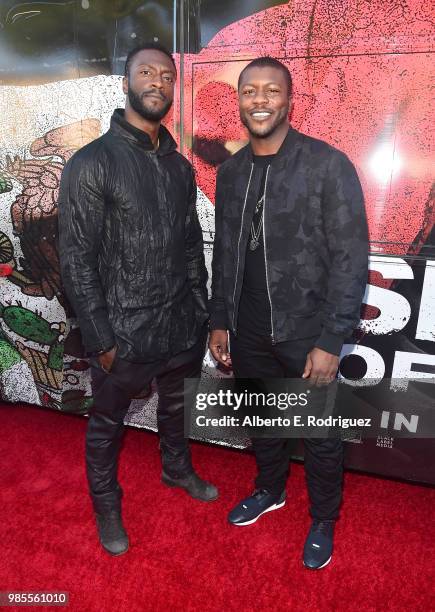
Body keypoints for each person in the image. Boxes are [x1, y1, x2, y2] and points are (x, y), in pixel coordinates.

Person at [58, 43, 218, 557]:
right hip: (122, 334)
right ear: (126, 84)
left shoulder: (178, 167)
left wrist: (202, 311)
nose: (157, 81)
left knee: (176, 410)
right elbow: (77, 260)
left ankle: (177, 471)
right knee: (106, 428)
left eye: (166, 75)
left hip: (181, 326)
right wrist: (101, 338)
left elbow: (192, 244)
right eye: (145, 73)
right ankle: (106, 505)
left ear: (174, 86)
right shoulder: (91, 162)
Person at [209, 57, 368, 569]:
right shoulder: (230, 173)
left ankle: (323, 518)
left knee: (320, 436)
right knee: (263, 421)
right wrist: (219, 318)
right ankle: (270, 490)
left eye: (270, 91)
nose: (259, 100)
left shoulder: (327, 164)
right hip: (248, 327)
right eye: (249, 91)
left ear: (289, 99)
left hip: (307, 332)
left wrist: (331, 339)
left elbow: (351, 258)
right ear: (239, 101)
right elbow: (225, 254)